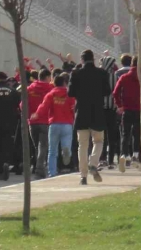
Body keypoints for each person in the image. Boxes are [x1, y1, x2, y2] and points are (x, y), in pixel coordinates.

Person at [68, 50, 110, 185]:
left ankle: (83, 175)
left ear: (82, 60)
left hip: (82, 112)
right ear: (93, 59)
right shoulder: (102, 73)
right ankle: (93, 163)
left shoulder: (75, 74)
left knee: (82, 145)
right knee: (98, 141)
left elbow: (70, 93)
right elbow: (107, 91)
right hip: (97, 111)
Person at [32, 73, 75, 178]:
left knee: (52, 150)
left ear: (54, 83)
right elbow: (74, 108)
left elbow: (44, 106)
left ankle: (52, 172)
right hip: (67, 124)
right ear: (65, 83)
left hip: (54, 123)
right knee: (66, 143)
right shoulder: (70, 95)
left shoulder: (50, 94)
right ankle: (66, 151)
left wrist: (37, 114)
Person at [113, 56, 141, 173]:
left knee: (125, 133)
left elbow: (115, 92)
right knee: (138, 133)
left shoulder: (124, 77)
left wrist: (119, 105)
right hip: (140, 109)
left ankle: (124, 155)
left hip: (127, 109)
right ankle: (135, 154)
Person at [27, 69, 54, 178]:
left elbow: (22, 104)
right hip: (45, 121)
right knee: (43, 146)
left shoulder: (29, 89)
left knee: (36, 146)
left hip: (32, 122)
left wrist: (28, 116)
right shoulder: (50, 89)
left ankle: (37, 167)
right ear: (47, 77)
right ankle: (39, 169)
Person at [100, 56, 120, 170]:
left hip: (101, 109)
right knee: (112, 136)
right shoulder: (115, 77)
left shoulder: (99, 77)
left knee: (102, 136)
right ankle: (111, 160)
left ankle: (102, 158)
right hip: (112, 110)